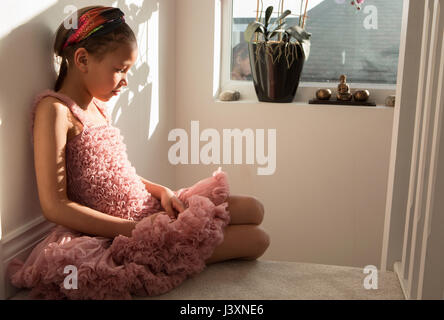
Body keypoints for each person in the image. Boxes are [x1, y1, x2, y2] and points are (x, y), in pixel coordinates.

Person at [7, 6, 270, 300]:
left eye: (128, 70)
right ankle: (177, 257)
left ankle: (184, 248)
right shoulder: (54, 111)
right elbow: (55, 206)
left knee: (254, 208)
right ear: (82, 59)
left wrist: (162, 191)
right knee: (256, 240)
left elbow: (115, 174)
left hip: (148, 209)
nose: (125, 81)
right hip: (124, 228)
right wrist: (134, 229)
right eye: (119, 69)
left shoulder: (97, 107)